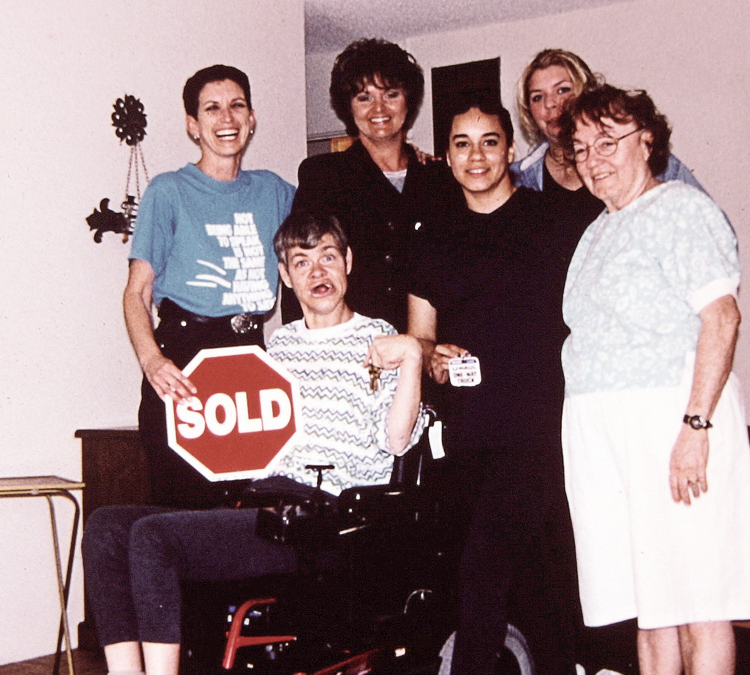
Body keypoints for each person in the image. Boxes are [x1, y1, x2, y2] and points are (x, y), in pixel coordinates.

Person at [85, 212, 427, 675]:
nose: (318, 273)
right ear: (285, 276)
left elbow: (398, 440)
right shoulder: (277, 347)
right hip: (263, 503)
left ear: (348, 261)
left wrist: (410, 355)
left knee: (154, 537)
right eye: (301, 263)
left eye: (328, 257)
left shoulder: (379, 338)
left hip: (325, 519)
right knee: (106, 526)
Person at [559, 84, 750, 675]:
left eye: (607, 141)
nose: (593, 159)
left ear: (647, 140)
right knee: (648, 607)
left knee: (699, 599)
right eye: (581, 149)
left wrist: (695, 428)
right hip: (607, 437)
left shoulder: (681, 209)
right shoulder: (598, 229)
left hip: (672, 428)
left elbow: (721, 317)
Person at [408, 94, 582, 675]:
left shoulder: (553, 223)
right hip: (465, 440)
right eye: (462, 143)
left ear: (510, 149)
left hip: (542, 433)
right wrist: (432, 359)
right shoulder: (432, 237)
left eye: (489, 142)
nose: (476, 156)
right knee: (506, 584)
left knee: (502, 575)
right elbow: (421, 337)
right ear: (447, 157)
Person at [122, 65, 295, 508]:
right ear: (192, 125)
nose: (227, 118)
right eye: (212, 108)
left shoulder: (274, 191)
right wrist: (151, 361)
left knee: (248, 517)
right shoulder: (168, 191)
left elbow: (331, 229)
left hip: (252, 364)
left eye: (237, 106)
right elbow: (137, 291)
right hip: (184, 363)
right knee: (186, 516)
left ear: (252, 118)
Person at [287, 38, 456, 333]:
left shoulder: (440, 178)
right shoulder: (324, 176)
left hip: (432, 350)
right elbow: (301, 266)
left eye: (391, 94)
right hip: (354, 351)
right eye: (364, 97)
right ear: (348, 107)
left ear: (409, 101)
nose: (379, 108)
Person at [511, 48, 705, 195]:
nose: (551, 103)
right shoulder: (518, 178)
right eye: (537, 97)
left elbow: (709, 229)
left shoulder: (644, 156)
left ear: (585, 92)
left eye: (563, 90)